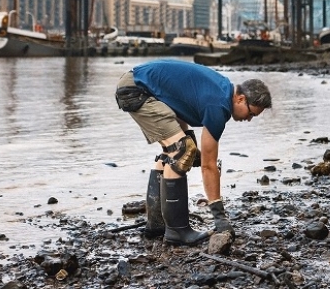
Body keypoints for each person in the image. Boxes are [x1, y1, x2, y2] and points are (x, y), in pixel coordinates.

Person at [115, 59, 272, 245]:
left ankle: (157, 224)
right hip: (137, 90)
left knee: (177, 149)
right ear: (240, 99)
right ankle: (177, 232)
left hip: (138, 85)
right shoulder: (218, 106)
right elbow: (208, 166)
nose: (249, 119)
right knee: (181, 152)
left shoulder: (222, 90)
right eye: (251, 113)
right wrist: (220, 217)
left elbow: (178, 102)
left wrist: (191, 148)